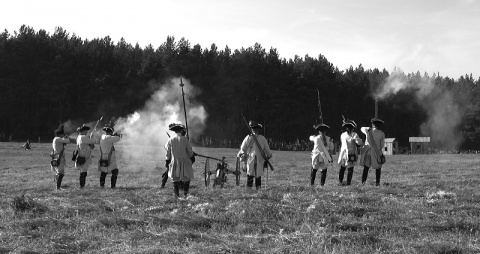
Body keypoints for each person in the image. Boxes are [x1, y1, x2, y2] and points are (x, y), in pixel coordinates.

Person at [237, 121, 272, 190]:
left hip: (254, 159)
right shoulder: (260, 138)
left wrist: (243, 155)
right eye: (255, 129)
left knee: (252, 176)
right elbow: (268, 151)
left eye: (255, 129)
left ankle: (251, 190)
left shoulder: (249, 138)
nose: (255, 130)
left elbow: (242, 149)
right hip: (255, 160)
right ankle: (255, 190)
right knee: (255, 176)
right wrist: (269, 155)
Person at [164, 123, 195, 198]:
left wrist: (167, 161)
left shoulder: (170, 139)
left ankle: (176, 196)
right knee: (186, 178)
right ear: (181, 130)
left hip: (174, 161)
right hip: (185, 161)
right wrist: (192, 157)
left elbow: (167, 151)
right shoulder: (185, 139)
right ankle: (185, 195)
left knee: (175, 180)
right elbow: (190, 151)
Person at [359, 118, 386, 186]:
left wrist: (368, 128)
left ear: (373, 124)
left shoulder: (368, 131)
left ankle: (363, 182)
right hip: (376, 152)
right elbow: (382, 145)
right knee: (378, 168)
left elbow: (362, 128)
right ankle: (377, 182)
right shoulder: (382, 133)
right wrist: (378, 150)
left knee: (366, 168)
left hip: (368, 152)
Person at [337, 118, 363, 186]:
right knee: (344, 168)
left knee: (348, 169)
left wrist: (356, 138)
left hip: (350, 154)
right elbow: (359, 143)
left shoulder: (353, 134)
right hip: (345, 153)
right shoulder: (345, 135)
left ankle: (347, 183)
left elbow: (359, 143)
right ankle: (341, 182)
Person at [98, 123, 121, 188]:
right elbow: (118, 139)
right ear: (110, 132)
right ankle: (109, 186)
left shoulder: (103, 136)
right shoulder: (108, 137)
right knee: (108, 171)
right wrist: (116, 135)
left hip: (106, 156)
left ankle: (103, 186)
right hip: (108, 157)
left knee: (109, 171)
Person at [50, 124, 73, 190]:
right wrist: (66, 138)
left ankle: (58, 185)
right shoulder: (58, 139)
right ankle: (58, 187)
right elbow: (68, 141)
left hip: (57, 156)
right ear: (60, 134)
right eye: (62, 134)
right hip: (59, 157)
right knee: (61, 173)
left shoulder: (56, 139)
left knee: (59, 172)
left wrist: (64, 138)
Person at [75, 124, 98, 188]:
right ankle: (82, 186)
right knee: (83, 172)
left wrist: (90, 139)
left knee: (83, 172)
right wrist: (92, 137)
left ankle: (82, 186)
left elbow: (91, 146)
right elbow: (94, 141)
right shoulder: (83, 137)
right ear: (83, 131)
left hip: (83, 156)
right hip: (84, 157)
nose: (87, 132)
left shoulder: (80, 137)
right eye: (86, 131)